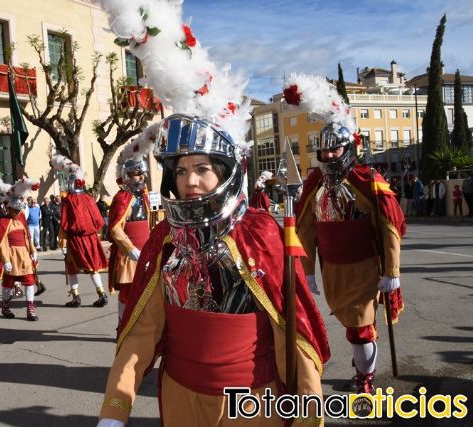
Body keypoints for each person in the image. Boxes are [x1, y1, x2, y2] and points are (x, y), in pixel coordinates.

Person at [99, 114, 329, 427]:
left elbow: (291, 327)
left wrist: (307, 408)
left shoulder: (258, 232)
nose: (189, 181)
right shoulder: (165, 238)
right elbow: (143, 329)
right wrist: (115, 408)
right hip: (182, 400)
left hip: (252, 402)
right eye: (181, 170)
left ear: (225, 171)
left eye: (202, 168)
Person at [285, 74, 406, 394]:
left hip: (364, 267)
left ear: (348, 149)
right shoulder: (314, 185)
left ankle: (365, 377)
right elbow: (306, 230)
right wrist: (307, 270)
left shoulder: (368, 180)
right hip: (333, 270)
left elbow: (389, 226)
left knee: (360, 327)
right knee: (350, 323)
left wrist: (392, 271)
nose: (328, 158)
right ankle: (362, 363)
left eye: (334, 152)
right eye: (323, 153)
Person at [108, 125, 157, 323]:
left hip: (146, 251)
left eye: (142, 174)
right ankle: (122, 325)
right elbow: (115, 228)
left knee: (148, 291)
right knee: (127, 293)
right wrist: (130, 249)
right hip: (130, 254)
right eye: (138, 174)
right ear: (128, 175)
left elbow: (153, 220)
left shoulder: (145, 196)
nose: (141, 178)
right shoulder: (122, 197)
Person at [51, 155, 109, 308]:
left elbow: (64, 223)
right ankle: (101, 293)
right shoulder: (89, 198)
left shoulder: (68, 200)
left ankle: (76, 297)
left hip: (75, 239)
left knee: (72, 268)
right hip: (91, 238)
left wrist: (62, 241)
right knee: (92, 267)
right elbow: (98, 220)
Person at [0, 179, 40, 320]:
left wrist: (33, 251)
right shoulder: (2, 222)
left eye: (18, 210)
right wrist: (5, 260)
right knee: (8, 283)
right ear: (9, 209)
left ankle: (30, 308)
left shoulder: (21, 219)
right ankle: (5, 307)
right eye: (14, 210)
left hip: (24, 255)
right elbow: (2, 243)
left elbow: (27, 237)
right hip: (12, 255)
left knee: (29, 281)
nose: (17, 213)